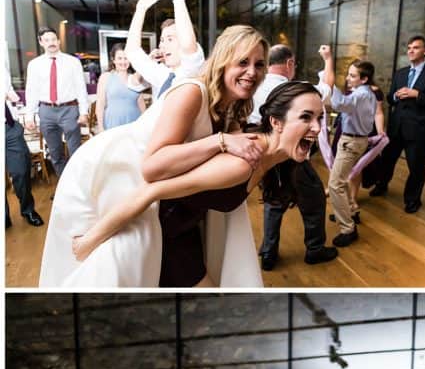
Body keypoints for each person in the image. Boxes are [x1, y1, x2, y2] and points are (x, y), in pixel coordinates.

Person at [39, 24, 270, 288]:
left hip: (161, 199)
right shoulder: (192, 92)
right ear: (223, 60)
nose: (252, 72)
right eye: (243, 62)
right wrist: (219, 141)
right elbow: (152, 167)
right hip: (111, 174)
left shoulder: (232, 109)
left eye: (259, 64)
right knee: (113, 267)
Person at [65, 80, 326, 288]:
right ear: (276, 122)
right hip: (164, 234)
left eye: (320, 118)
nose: (316, 127)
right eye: (306, 117)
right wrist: (89, 241)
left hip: (186, 233)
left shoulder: (273, 159)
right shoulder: (242, 163)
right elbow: (151, 190)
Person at [250, 44, 335, 269]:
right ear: (289, 64)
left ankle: (268, 252)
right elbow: (327, 86)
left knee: (274, 198)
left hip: (265, 155)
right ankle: (315, 249)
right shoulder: (299, 90)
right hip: (288, 156)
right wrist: (327, 59)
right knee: (315, 196)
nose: (316, 128)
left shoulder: (254, 86)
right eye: (307, 117)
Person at [371, 35, 425, 213]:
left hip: (419, 130)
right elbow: (390, 98)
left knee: (417, 168)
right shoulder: (400, 73)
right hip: (396, 127)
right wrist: (396, 96)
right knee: (387, 161)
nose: (411, 50)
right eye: (409, 47)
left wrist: (417, 95)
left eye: (416, 47)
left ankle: (412, 200)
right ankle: (381, 186)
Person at [320, 45, 378, 249]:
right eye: (348, 74)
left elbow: (339, 104)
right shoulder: (367, 93)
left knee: (335, 184)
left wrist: (329, 72)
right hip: (355, 141)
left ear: (364, 79)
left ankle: (348, 228)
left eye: (353, 76)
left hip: (352, 143)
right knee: (342, 181)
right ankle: (350, 211)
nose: (348, 78)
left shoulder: (360, 95)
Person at [124, 0, 205, 102]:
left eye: (170, 39)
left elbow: (188, 44)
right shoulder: (162, 74)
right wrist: (141, 9)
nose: (163, 45)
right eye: (162, 40)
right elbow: (132, 51)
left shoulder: (192, 70)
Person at [23, 26, 89, 177]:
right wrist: (29, 116)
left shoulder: (73, 62)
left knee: (75, 152)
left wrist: (84, 112)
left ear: (59, 41)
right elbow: (31, 92)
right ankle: (65, 186)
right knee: (55, 153)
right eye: (47, 40)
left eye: (53, 39)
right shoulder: (34, 65)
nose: (51, 43)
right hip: (46, 111)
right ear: (41, 42)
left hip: (69, 110)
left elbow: (81, 88)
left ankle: (79, 185)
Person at [4, 62, 44, 227]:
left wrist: (11, 95)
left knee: (21, 171)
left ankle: (28, 209)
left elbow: (7, 89)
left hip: (9, 128)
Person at [95, 45, 142, 131]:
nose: (123, 61)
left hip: (135, 122)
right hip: (113, 122)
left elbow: (141, 103)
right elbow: (100, 105)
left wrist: (145, 123)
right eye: (120, 58)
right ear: (113, 60)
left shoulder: (134, 78)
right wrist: (101, 128)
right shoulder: (106, 77)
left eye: (126, 58)